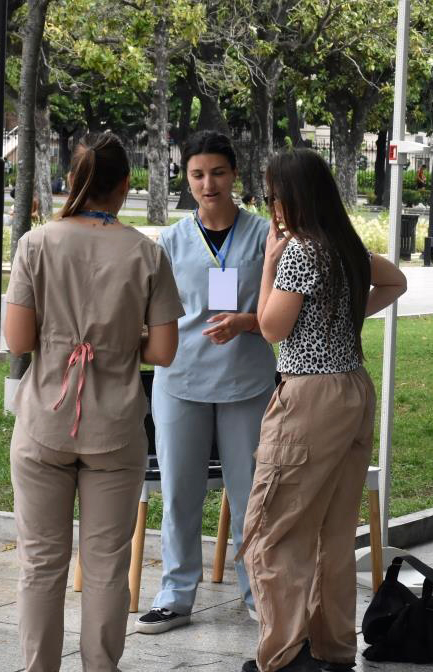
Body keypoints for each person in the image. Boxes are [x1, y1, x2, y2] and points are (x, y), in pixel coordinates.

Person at [3, 131, 183, 672]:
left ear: (73, 180)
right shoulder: (147, 253)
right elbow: (163, 351)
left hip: (44, 421)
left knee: (41, 564)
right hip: (116, 425)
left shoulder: (35, 244)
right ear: (125, 185)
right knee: (106, 566)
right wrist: (119, 341)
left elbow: (18, 340)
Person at [238, 148, 407, 672]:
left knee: (274, 528)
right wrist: (349, 315)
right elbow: (396, 281)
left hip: (309, 396)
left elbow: (271, 328)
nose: (270, 205)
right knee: (333, 530)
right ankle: (332, 645)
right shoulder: (345, 246)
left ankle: (283, 655)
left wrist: (268, 265)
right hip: (353, 389)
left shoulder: (299, 252)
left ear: (292, 196)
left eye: (272, 194)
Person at [135, 131, 277, 634]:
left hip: (247, 383)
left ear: (234, 174)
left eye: (217, 172)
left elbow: (284, 312)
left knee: (251, 494)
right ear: (187, 179)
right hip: (180, 381)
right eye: (197, 174)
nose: (208, 183)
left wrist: (247, 322)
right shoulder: (169, 242)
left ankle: (259, 592)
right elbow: (150, 314)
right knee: (179, 494)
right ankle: (175, 596)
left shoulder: (266, 236)